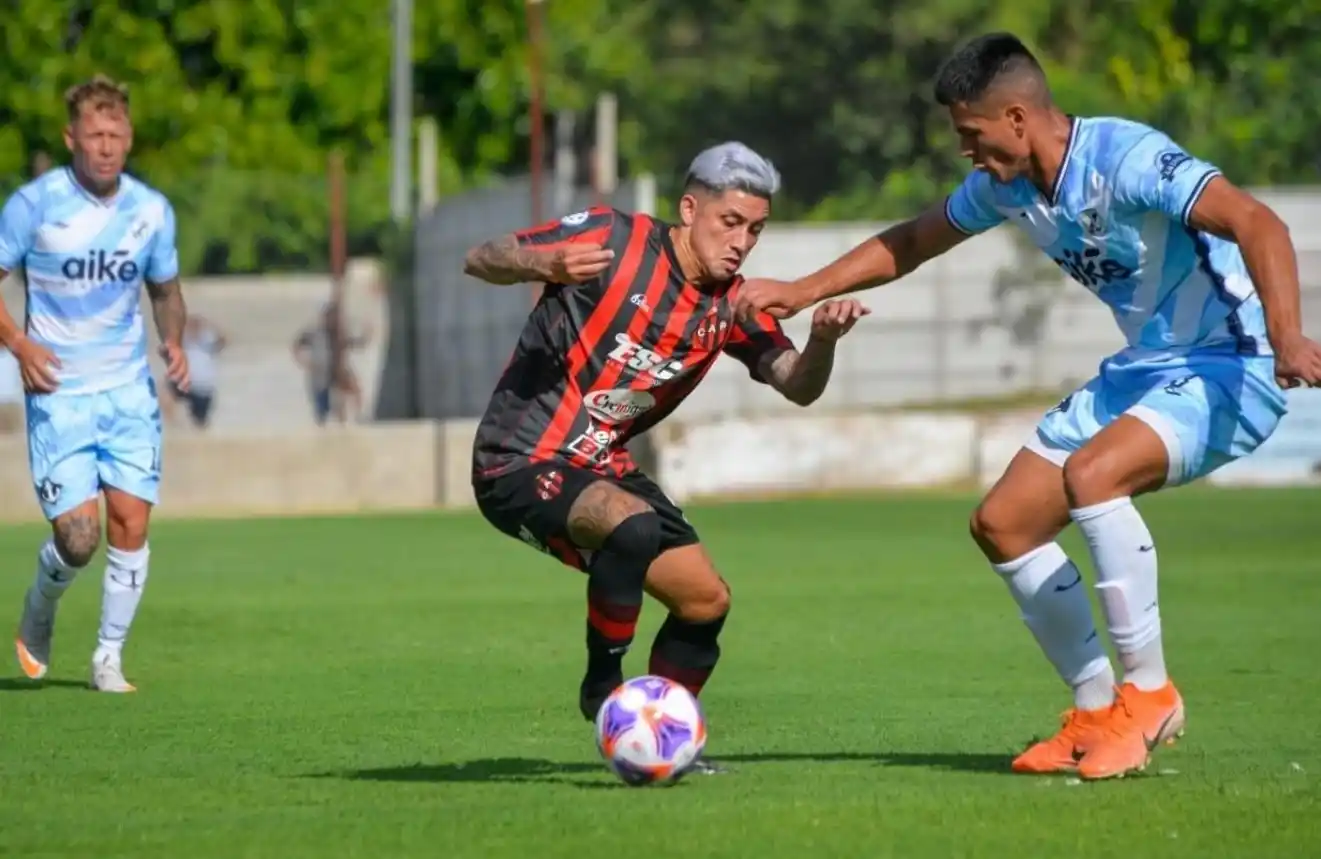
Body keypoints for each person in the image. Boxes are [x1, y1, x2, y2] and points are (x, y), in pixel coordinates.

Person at [735, 33, 1321, 780]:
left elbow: (1256, 222)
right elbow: (912, 240)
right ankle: (1095, 709)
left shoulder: (1127, 158)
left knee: (1091, 475)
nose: (964, 153)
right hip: (1142, 369)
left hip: (1232, 363)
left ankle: (1150, 695)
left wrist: (1286, 335)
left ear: (1016, 117)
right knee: (1002, 522)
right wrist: (798, 290)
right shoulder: (1004, 188)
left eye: (969, 135)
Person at [464, 142, 867, 764]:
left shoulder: (734, 304)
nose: (741, 242)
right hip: (518, 458)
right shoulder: (612, 239)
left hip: (600, 466)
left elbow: (797, 384)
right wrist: (543, 262)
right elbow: (480, 259)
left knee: (706, 600)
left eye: (755, 230)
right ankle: (604, 685)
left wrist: (822, 341)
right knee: (633, 524)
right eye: (730, 222)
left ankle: (658, 739)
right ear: (689, 208)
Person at [1, 75, 190, 692]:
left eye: (116, 135)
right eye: (94, 135)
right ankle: (41, 606)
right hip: (58, 391)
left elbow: (165, 291)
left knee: (131, 521)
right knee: (78, 539)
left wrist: (174, 341)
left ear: (129, 137)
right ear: (70, 137)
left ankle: (108, 658)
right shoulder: (34, 206)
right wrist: (20, 343)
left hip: (127, 390)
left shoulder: (151, 211)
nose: (106, 147)